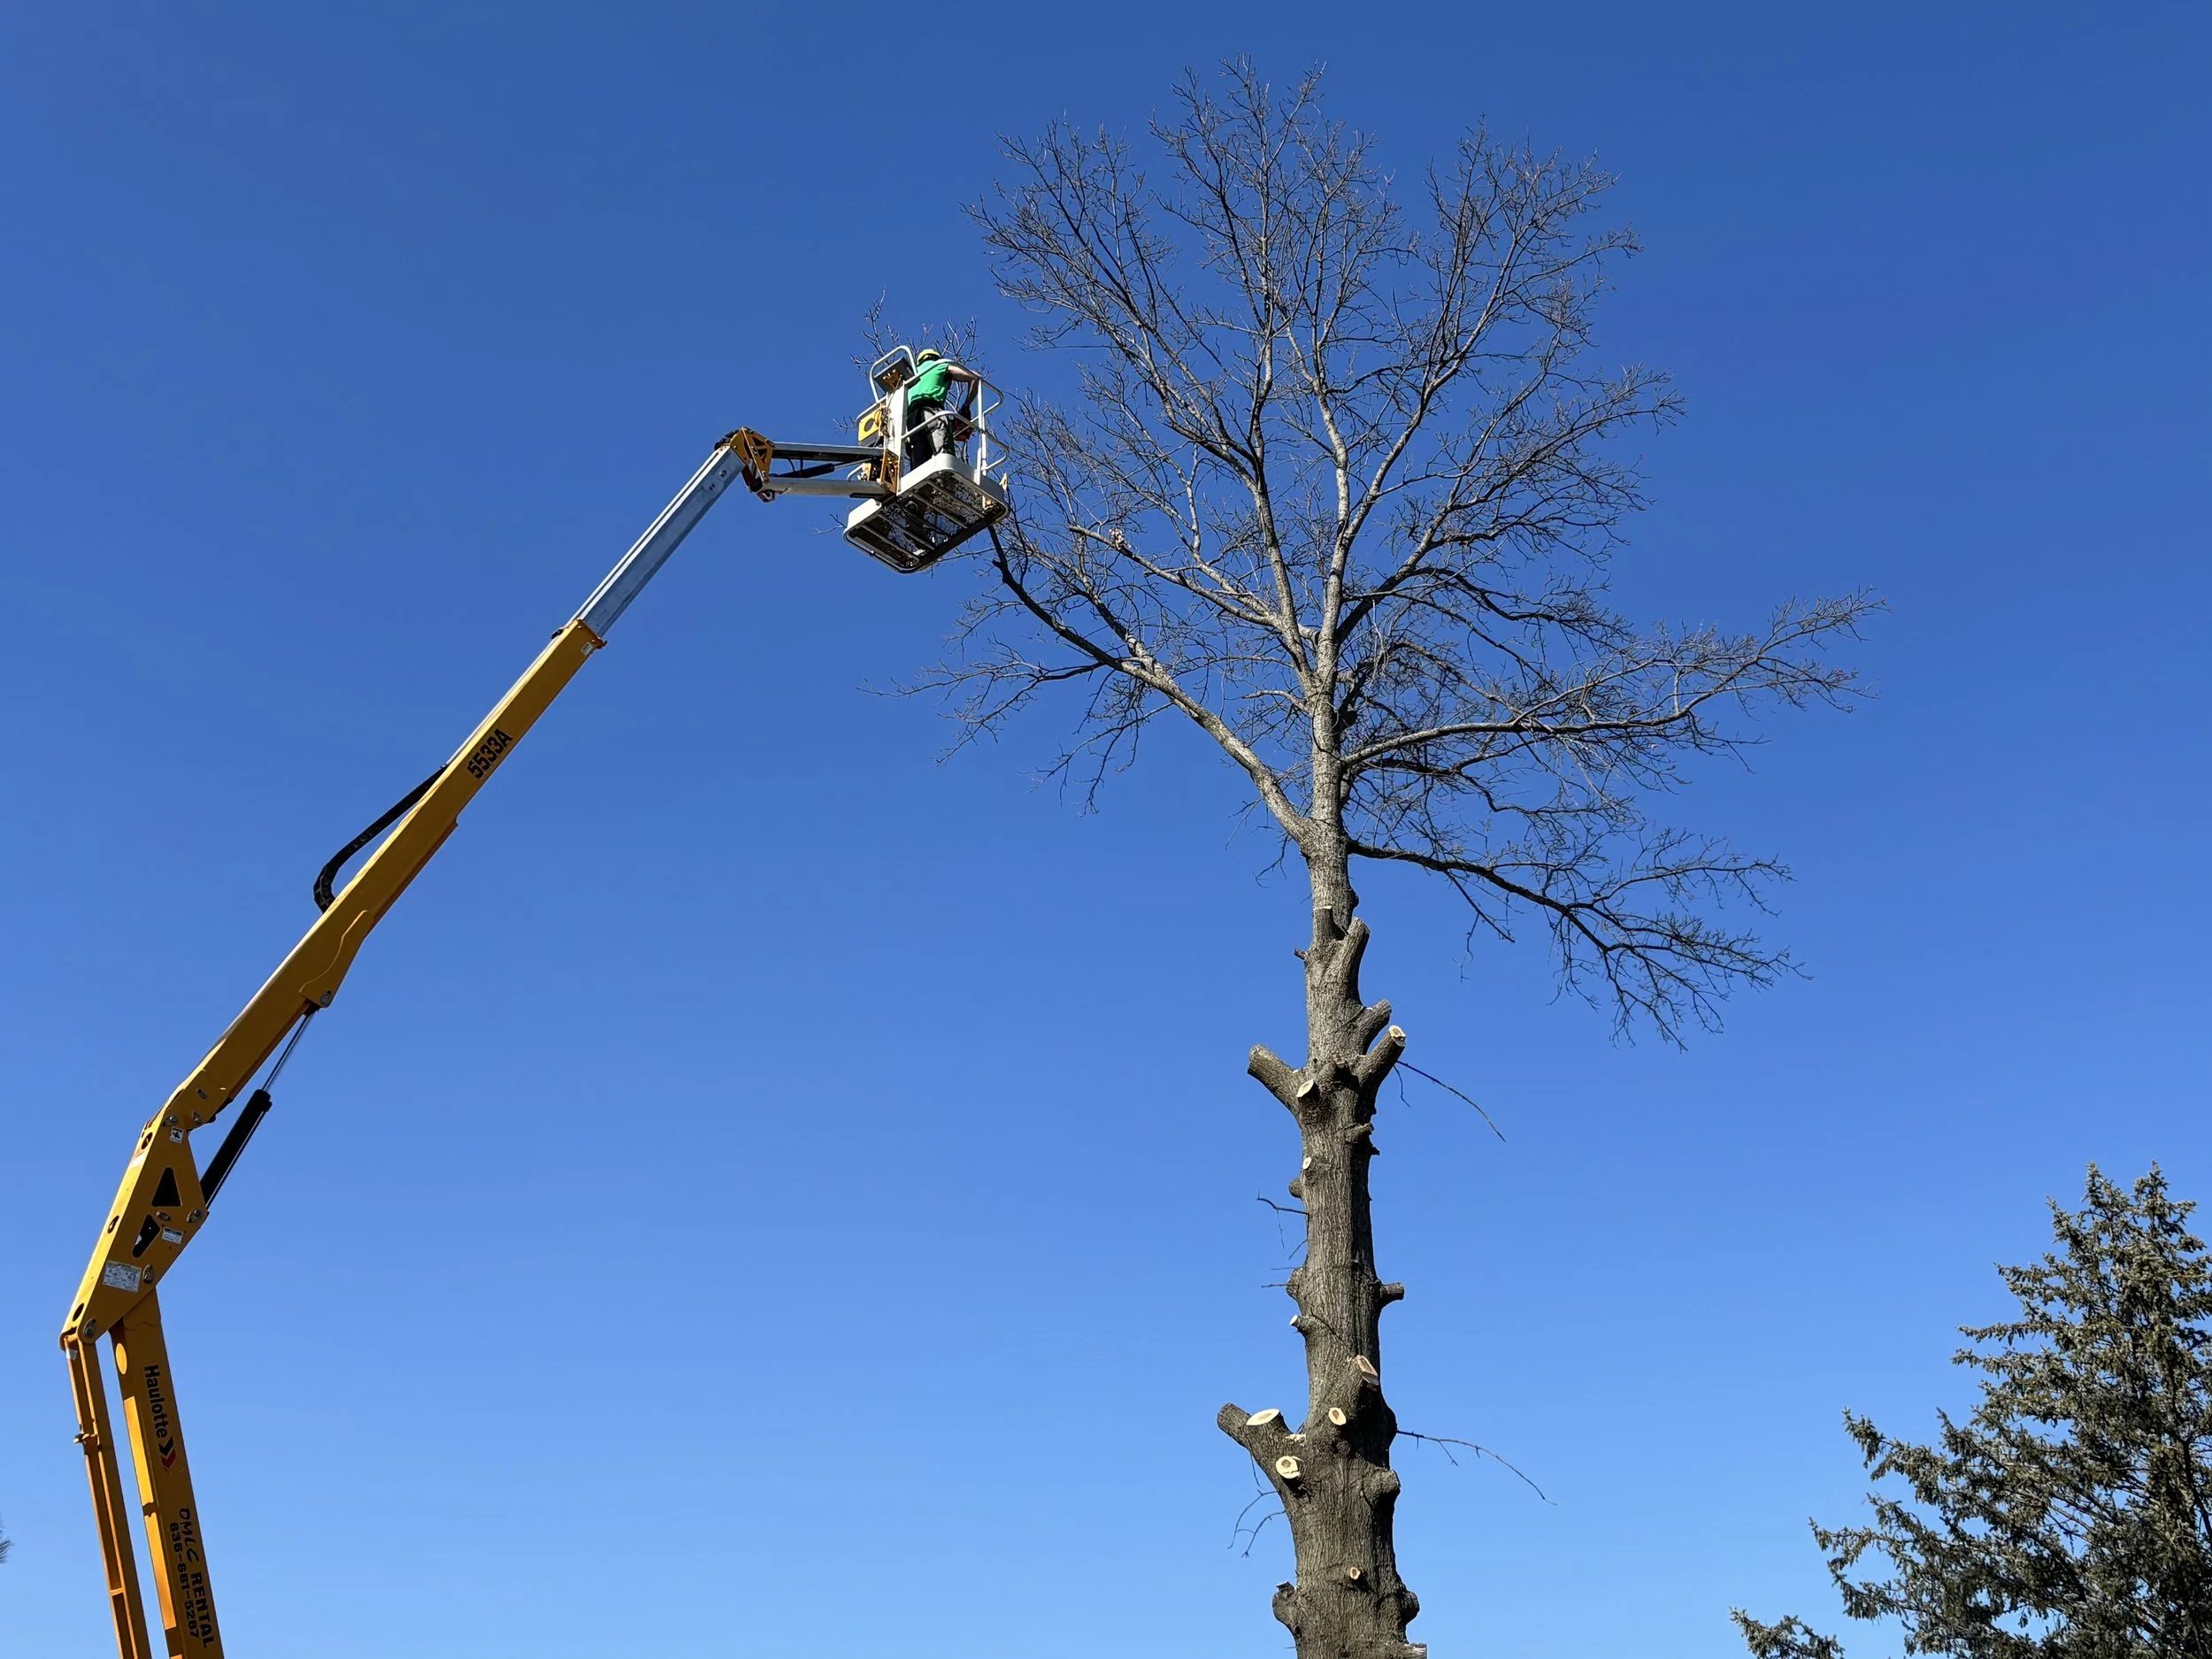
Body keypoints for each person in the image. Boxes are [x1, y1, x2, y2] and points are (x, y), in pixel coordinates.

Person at [901, 346, 980, 466]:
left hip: (911, 421)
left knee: (919, 460)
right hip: (932, 412)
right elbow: (974, 378)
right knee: (944, 459)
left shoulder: (910, 377)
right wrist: (966, 406)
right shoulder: (940, 366)